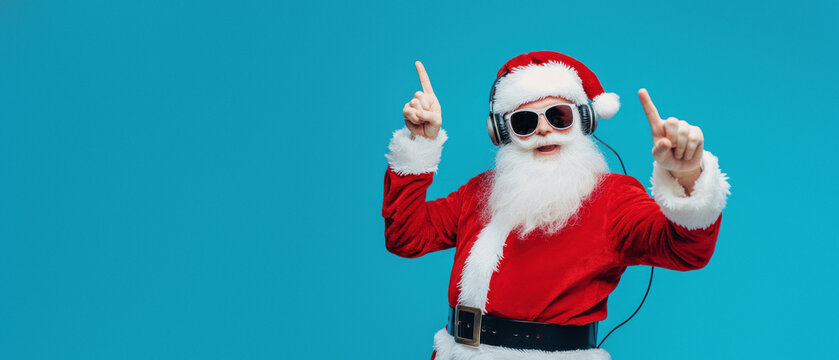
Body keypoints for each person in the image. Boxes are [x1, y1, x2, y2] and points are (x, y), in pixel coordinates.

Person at [382, 51, 730, 360]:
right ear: (502, 133)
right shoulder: (480, 192)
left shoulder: (612, 198)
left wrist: (687, 177)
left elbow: (687, 251)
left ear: (583, 120)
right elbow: (406, 236)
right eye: (524, 122)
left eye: (558, 116)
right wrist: (420, 143)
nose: (544, 130)